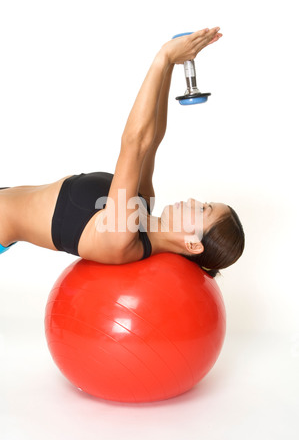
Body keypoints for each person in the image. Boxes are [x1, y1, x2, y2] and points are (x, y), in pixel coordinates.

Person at [0, 27, 244, 277]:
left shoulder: (122, 237)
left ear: (193, 244)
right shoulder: (143, 206)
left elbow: (134, 143)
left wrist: (163, 57)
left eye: (203, 210)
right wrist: (171, 64)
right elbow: (152, 140)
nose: (194, 201)